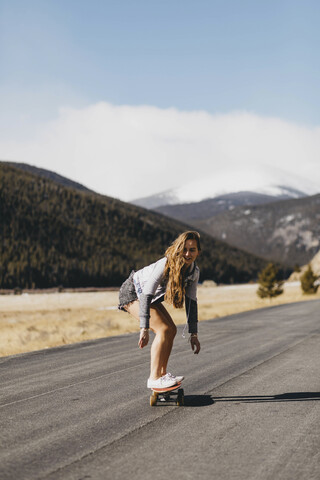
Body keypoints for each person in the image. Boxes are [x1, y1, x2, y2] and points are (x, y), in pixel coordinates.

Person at [118, 231, 201, 389]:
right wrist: (144, 328)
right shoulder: (166, 264)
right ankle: (154, 377)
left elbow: (192, 303)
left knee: (171, 329)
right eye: (184, 249)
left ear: (198, 252)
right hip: (133, 292)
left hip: (148, 297)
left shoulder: (193, 272)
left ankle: (162, 375)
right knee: (163, 329)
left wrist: (194, 334)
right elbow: (147, 293)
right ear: (178, 249)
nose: (188, 254)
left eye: (192, 250)